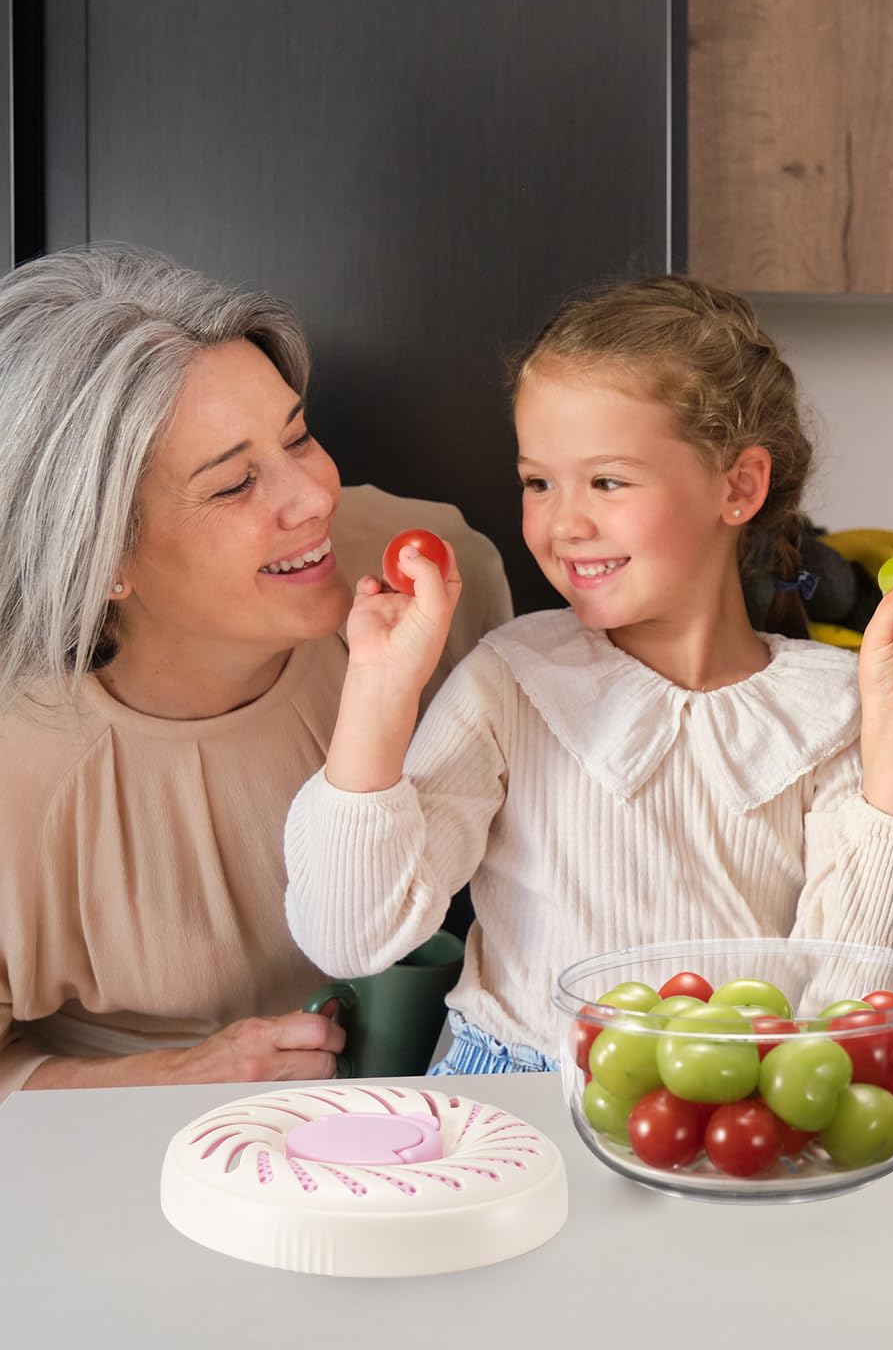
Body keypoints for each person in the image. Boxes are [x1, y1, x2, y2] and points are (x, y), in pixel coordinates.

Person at [286, 276, 893, 1071]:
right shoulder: (511, 681)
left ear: (739, 486)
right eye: (538, 481)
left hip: (741, 1111)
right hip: (519, 1103)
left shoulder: (834, 708)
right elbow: (349, 931)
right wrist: (376, 690)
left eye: (607, 481)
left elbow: (870, 1012)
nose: (563, 523)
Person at [0, 246, 511, 1097]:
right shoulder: (18, 769)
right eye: (236, 484)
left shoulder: (434, 578)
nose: (314, 496)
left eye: (299, 435)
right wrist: (179, 1076)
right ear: (101, 560)